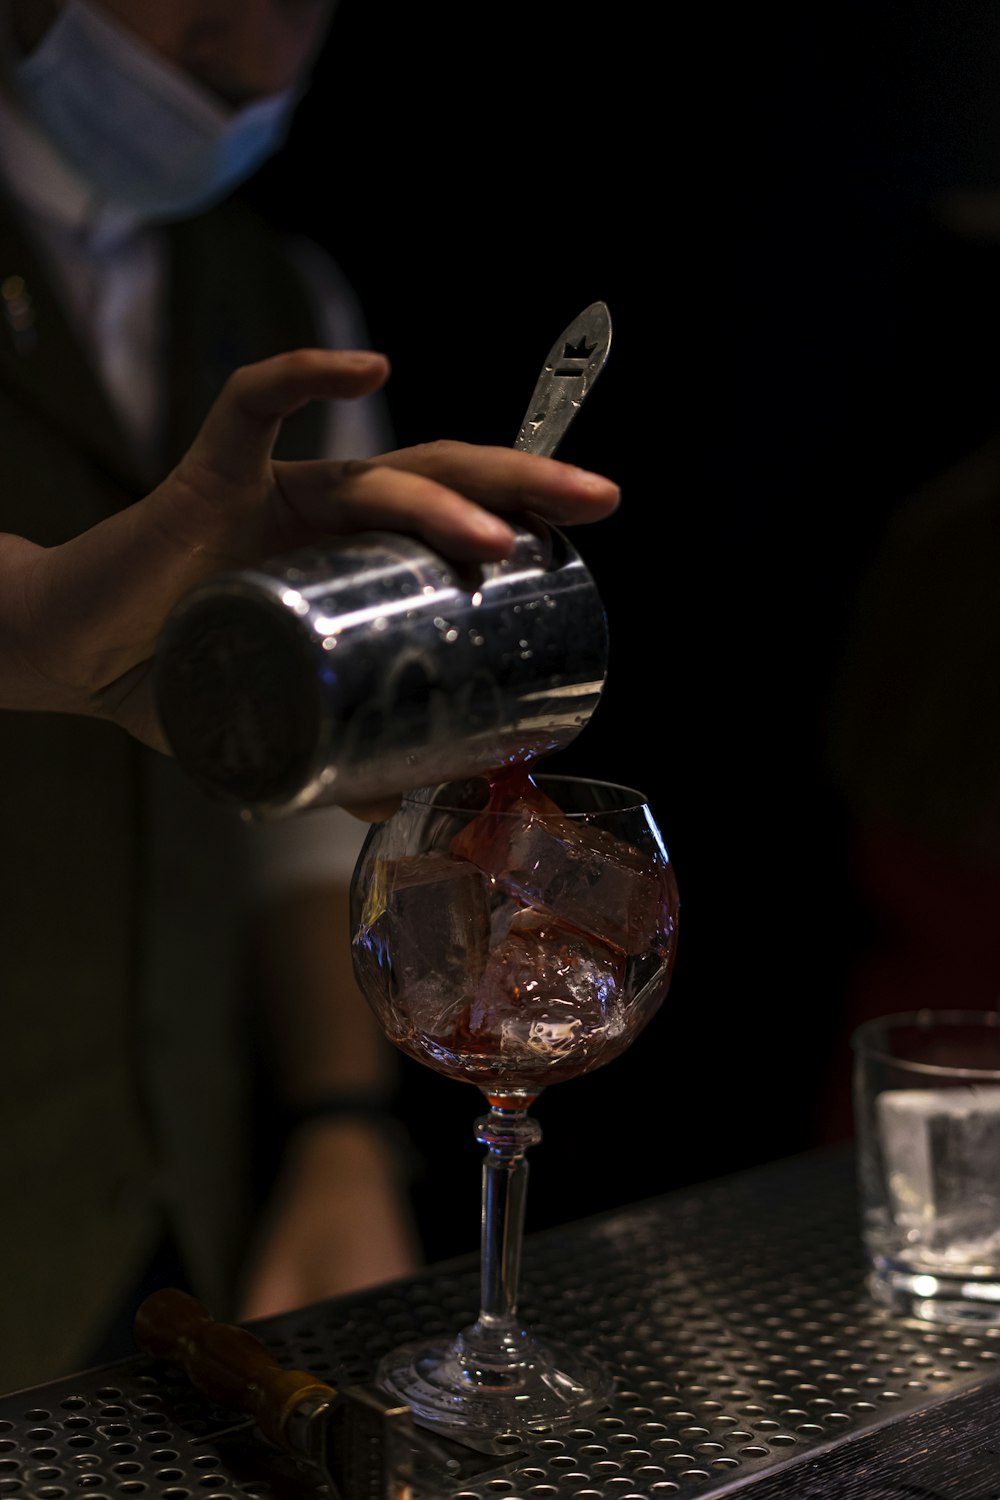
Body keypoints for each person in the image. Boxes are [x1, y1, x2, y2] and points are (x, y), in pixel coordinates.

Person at [0, 0, 618, 1391]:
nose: (249, 45)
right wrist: (35, 620)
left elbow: (308, 803)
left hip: (181, 1195)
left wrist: (339, 1120)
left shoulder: (280, 296)